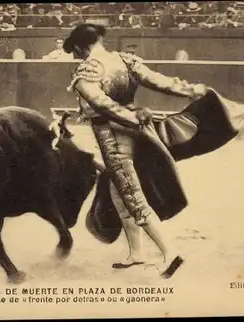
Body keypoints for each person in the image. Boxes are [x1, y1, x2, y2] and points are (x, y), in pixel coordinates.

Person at [62, 23, 211, 279]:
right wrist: (191, 90)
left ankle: (170, 253)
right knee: (118, 192)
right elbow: (159, 81)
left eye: (75, 51)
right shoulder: (125, 59)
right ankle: (137, 253)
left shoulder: (86, 70)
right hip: (137, 135)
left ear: (79, 47)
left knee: (131, 195)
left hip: (113, 137)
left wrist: (131, 119)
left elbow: (101, 103)